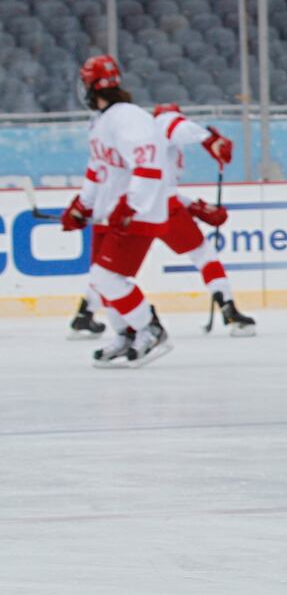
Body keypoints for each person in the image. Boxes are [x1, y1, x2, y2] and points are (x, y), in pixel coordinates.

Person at [62, 55, 173, 367]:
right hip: (111, 213)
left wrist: (131, 204)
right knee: (101, 280)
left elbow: (148, 161)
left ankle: (151, 329)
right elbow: (98, 169)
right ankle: (125, 334)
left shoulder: (128, 117)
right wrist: (82, 206)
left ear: (90, 85)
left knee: (106, 276)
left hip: (134, 213)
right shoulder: (101, 121)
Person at [152, 103, 256, 336]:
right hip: (163, 207)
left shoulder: (152, 145)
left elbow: (163, 186)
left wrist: (196, 207)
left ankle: (85, 313)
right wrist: (210, 140)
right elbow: (177, 126)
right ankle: (228, 307)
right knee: (204, 254)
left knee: (113, 271)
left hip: (142, 206)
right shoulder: (163, 124)